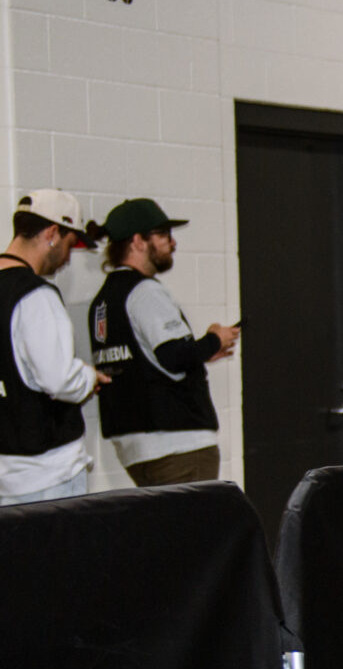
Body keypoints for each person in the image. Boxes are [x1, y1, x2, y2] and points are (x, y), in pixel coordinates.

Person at [0, 189, 106, 507]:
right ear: (52, 233)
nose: (68, 259)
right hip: (43, 472)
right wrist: (89, 377)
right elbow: (58, 380)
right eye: (70, 246)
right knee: (52, 558)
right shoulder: (36, 296)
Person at [90, 197, 239, 486]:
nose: (173, 244)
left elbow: (145, 360)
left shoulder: (104, 299)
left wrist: (204, 353)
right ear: (138, 241)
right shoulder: (144, 291)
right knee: (190, 530)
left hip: (136, 447)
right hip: (178, 445)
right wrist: (213, 339)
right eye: (163, 236)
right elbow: (174, 356)